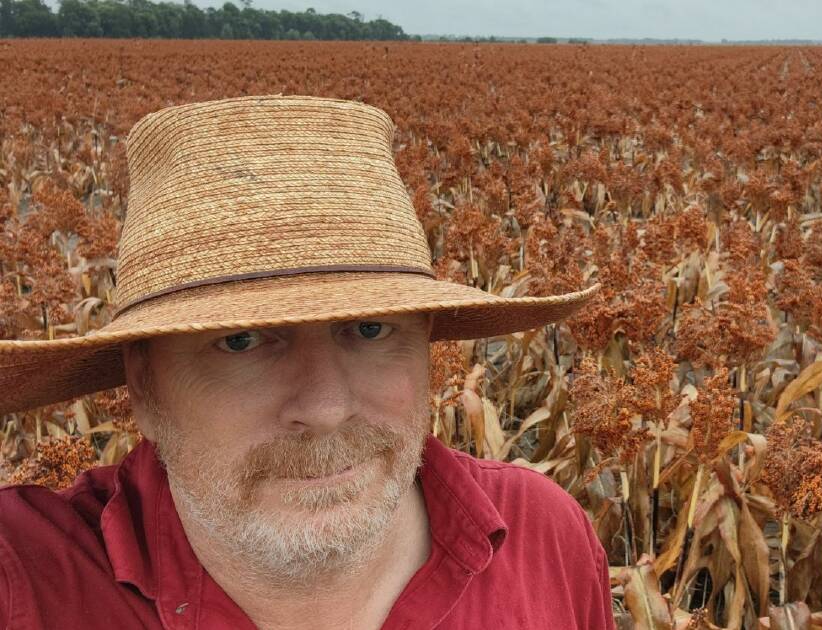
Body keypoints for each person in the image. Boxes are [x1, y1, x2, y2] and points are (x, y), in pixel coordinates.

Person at [0, 94, 613, 629]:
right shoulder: (27, 577)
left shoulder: (545, 538)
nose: (324, 408)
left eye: (369, 330)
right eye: (241, 340)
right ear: (143, 384)